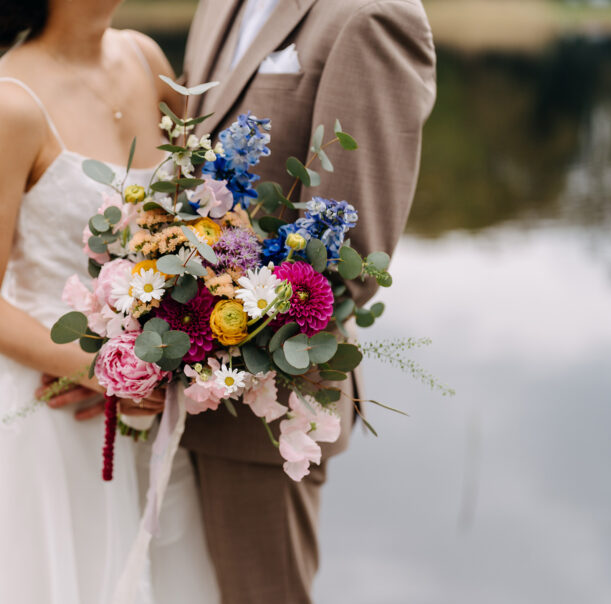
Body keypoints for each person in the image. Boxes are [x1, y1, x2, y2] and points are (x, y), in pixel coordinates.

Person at [0, 1, 219, 602]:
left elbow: (198, 218)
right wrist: (105, 371)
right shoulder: (7, 105)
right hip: (49, 417)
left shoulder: (145, 57)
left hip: (151, 415)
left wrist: (182, 350)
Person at [179, 0, 438, 602]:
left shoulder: (373, 16)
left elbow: (349, 258)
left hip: (268, 410)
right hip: (175, 389)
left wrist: (194, 323)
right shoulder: (217, 5)